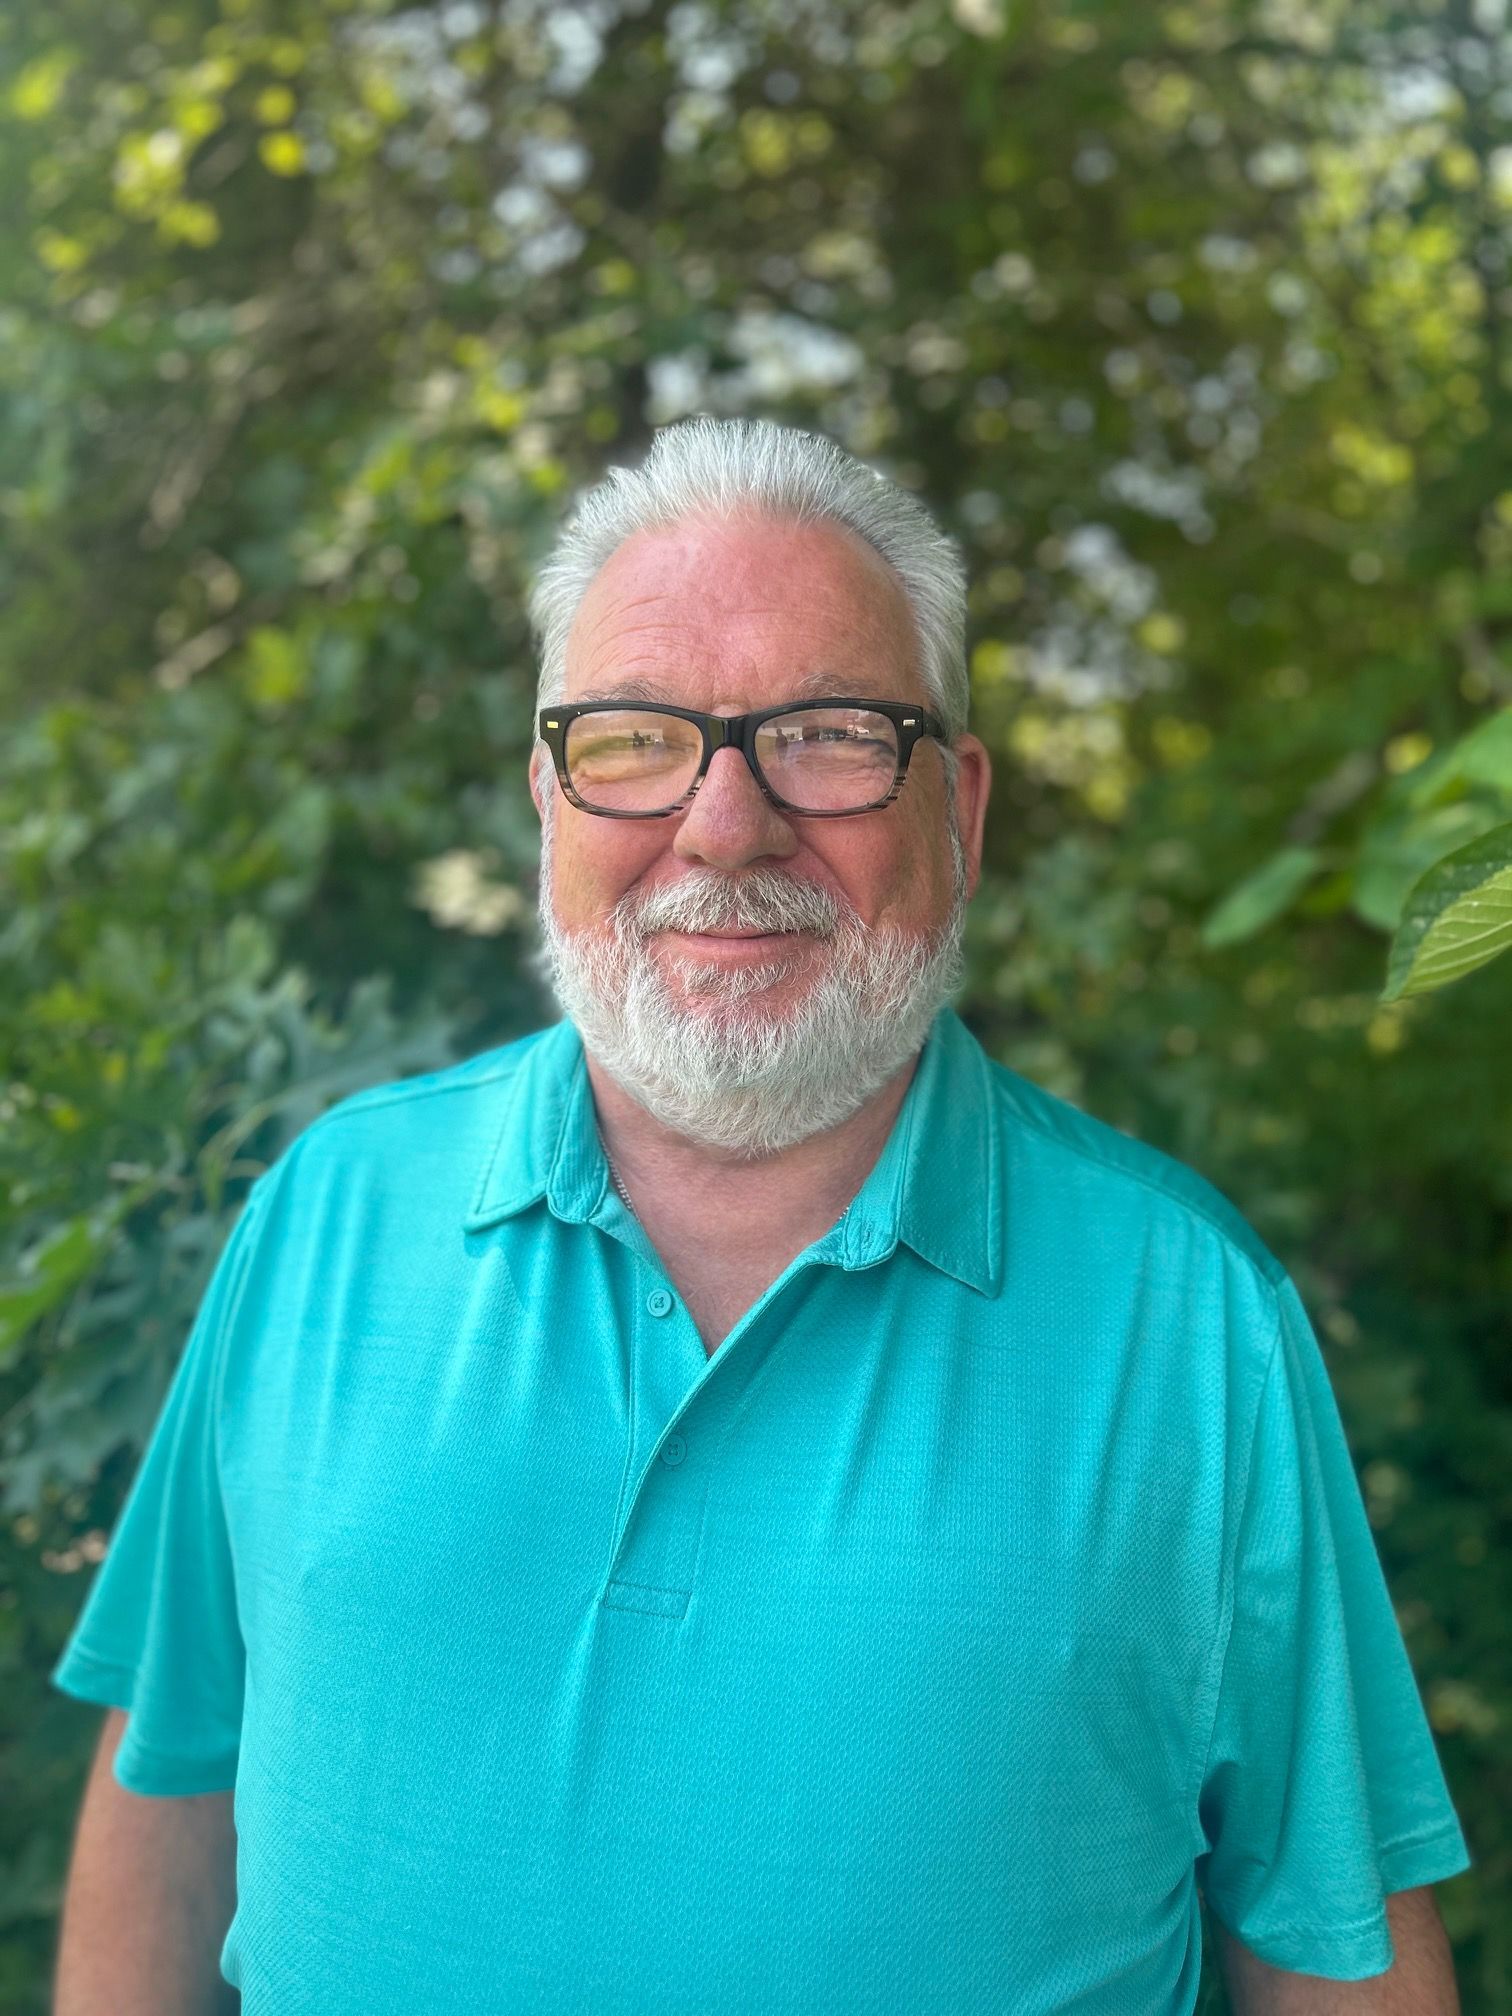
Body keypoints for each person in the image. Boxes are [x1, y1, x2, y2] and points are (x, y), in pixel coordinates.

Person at [50, 417, 1468, 2014]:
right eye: (637, 739)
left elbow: (1331, 1942)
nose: (727, 825)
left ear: (965, 809)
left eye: (830, 732)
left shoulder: (1189, 1318)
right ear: (547, 795)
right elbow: (171, 1777)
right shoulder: (325, 1216)